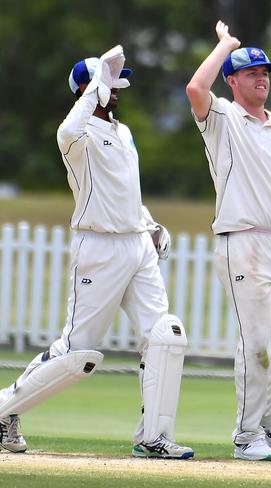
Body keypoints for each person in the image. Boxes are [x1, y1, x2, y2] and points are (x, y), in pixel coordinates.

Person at [0, 46, 193, 460]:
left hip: (136, 245)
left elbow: (124, 190)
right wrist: (93, 93)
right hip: (99, 248)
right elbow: (65, 132)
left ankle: (154, 438)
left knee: (165, 335)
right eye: (107, 83)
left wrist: (149, 222)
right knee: (78, 353)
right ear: (88, 89)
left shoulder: (122, 132)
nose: (116, 89)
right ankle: (3, 410)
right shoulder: (78, 134)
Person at [186, 21, 271, 462]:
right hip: (241, 239)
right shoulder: (223, 119)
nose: (261, 77)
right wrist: (226, 45)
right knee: (257, 343)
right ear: (232, 81)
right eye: (251, 72)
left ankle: (264, 414)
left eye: (265, 72)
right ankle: (248, 435)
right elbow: (194, 88)